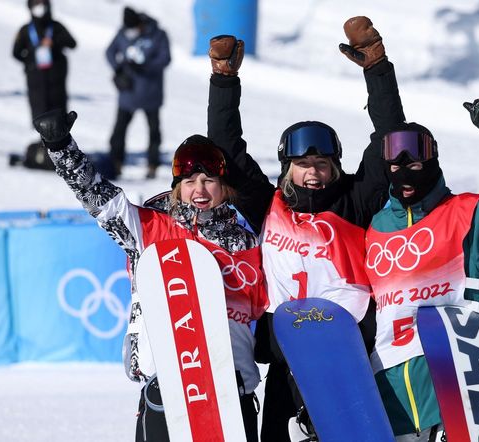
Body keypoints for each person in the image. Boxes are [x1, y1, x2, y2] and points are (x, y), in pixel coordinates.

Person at [206, 16, 405, 441]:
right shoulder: (269, 202)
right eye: (303, 166)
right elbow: (225, 147)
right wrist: (223, 81)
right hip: (286, 352)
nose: (313, 174)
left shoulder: (354, 199)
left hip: (345, 351)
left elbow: (390, 138)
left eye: (322, 165)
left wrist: (377, 68)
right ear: (287, 168)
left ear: (335, 166)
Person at [32, 109, 268, 442]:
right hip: (167, 387)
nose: (198, 188)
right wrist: (60, 147)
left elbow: (261, 308)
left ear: (224, 188)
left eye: (208, 180)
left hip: (233, 389)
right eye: (189, 181)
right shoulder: (152, 228)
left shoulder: (247, 243)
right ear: (177, 189)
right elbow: (102, 201)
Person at [364, 99, 479, 441]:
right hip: (388, 388)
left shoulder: (467, 215)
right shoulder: (374, 229)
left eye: (415, 164)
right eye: (396, 165)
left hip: (456, 382)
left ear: (432, 163)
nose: (404, 172)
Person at [106, 6, 171, 179]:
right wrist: (118, 70)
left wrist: (145, 67)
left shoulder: (158, 34)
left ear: (140, 25)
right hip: (128, 93)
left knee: (154, 131)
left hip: (151, 93)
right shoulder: (124, 32)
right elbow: (110, 51)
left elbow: (165, 58)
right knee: (119, 130)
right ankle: (116, 163)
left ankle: (152, 164)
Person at [12, 0, 76, 170]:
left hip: (56, 83)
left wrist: (54, 42)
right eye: (36, 4)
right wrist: (31, 61)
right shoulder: (26, 30)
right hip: (36, 84)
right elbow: (16, 52)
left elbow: (72, 43)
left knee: (59, 118)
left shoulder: (56, 27)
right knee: (40, 117)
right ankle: (45, 153)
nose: (39, 8)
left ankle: (63, 152)